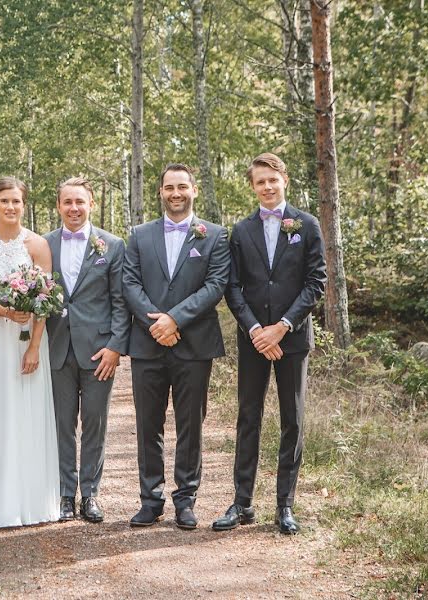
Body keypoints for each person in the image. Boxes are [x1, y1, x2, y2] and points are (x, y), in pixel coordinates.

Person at [215, 153, 326, 535]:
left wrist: (282, 326)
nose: (266, 186)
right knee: (248, 417)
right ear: (253, 186)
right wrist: (255, 330)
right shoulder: (241, 230)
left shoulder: (306, 225)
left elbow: (316, 283)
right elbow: (232, 287)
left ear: (285, 180)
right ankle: (242, 503)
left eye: (272, 179)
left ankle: (285, 505)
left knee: (292, 419)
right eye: (259, 181)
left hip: (291, 340)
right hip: (253, 341)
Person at [122, 163, 230, 530]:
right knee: (147, 424)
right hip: (148, 344)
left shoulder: (214, 236)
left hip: (194, 345)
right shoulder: (139, 235)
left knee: (190, 425)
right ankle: (150, 500)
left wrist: (175, 319)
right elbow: (130, 283)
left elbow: (215, 285)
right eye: (169, 187)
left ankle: (186, 499)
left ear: (194, 190)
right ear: (160, 192)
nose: (176, 193)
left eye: (182, 186)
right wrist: (157, 323)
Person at [0, 176, 60, 527]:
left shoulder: (37, 244)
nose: (11, 207)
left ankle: (30, 500)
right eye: (4, 201)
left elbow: (45, 299)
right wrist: (3, 311)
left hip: (26, 337)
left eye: (16, 201)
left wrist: (34, 344)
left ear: (24, 204)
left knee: (26, 412)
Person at [43, 177, 130, 522]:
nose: (74, 208)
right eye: (67, 202)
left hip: (98, 352)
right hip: (57, 347)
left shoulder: (112, 245)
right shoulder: (44, 245)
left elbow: (120, 302)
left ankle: (90, 494)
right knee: (62, 424)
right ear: (59, 206)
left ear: (90, 203)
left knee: (94, 423)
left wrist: (115, 347)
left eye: (80, 201)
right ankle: (66, 494)